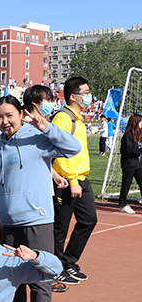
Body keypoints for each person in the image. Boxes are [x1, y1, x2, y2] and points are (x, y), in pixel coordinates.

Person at [0, 93, 80, 302]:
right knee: (11, 276)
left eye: (9, 115)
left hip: (36, 219)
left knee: (41, 276)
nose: (4, 121)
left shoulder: (38, 138)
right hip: (6, 222)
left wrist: (46, 127)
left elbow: (73, 148)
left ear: (20, 114)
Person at [51, 77, 98, 287]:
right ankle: (55, 268)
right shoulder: (63, 118)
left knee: (89, 220)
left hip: (81, 179)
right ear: (73, 96)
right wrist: (72, 180)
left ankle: (68, 261)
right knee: (60, 228)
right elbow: (60, 153)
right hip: (67, 181)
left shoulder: (78, 118)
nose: (89, 96)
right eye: (85, 93)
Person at [119, 114, 142, 214]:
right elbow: (128, 150)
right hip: (129, 165)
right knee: (126, 185)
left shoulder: (139, 134)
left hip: (138, 165)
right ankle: (123, 204)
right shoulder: (128, 135)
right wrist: (139, 150)